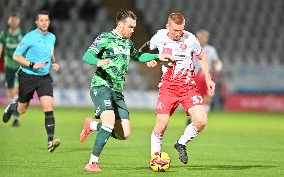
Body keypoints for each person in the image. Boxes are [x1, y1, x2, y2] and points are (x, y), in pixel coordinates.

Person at [79, 10, 171, 172]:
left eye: (134, 27)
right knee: (108, 121)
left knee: (124, 134)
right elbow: (87, 56)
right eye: (130, 27)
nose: (133, 30)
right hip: (101, 86)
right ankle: (92, 163)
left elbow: (138, 56)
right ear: (120, 25)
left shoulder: (128, 44)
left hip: (117, 92)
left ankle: (92, 125)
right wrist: (98, 61)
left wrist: (156, 56)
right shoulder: (105, 38)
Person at [146, 13, 215, 164]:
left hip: (188, 88)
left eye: (181, 30)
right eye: (176, 30)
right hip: (168, 88)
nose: (179, 33)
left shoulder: (190, 39)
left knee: (201, 120)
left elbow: (202, 56)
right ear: (167, 26)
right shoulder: (159, 37)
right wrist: (150, 59)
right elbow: (146, 51)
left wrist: (208, 78)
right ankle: (155, 158)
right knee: (161, 125)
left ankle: (181, 143)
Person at [2, 11, 61, 152]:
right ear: (36, 22)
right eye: (41, 20)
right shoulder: (29, 37)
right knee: (21, 110)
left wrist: (54, 62)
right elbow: (16, 56)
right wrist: (32, 65)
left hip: (44, 78)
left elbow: (50, 52)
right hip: (28, 76)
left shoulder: (52, 37)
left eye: (46, 20)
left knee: (48, 107)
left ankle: (50, 142)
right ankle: (12, 107)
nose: (44, 22)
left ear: (49, 21)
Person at [186, 29, 222, 125]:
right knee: (194, 99)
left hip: (207, 77)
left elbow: (216, 61)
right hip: (194, 77)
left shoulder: (211, 50)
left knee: (207, 98)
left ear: (207, 38)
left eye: (204, 37)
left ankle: (201, 119)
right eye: (200, 37)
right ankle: (191, 118)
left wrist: (218, 67)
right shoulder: (191, 48)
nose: (202, 39)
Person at [0, 12, 25, 126]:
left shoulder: (23, 35)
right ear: (9, 21)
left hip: (19, 67)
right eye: (12, 20)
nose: (14, 22)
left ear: (18, 22)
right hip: (8, 67)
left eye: (16, 20)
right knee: (10, 94)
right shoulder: (4, 35)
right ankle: (13, 112)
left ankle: (16, 118)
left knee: (15, 91)